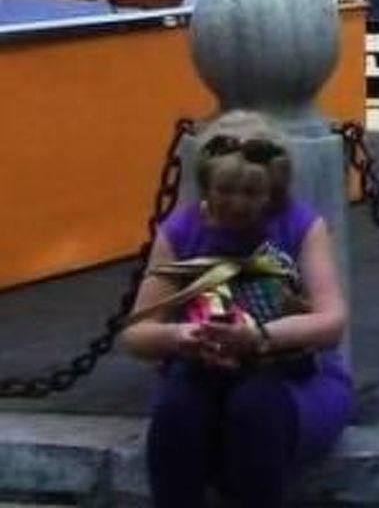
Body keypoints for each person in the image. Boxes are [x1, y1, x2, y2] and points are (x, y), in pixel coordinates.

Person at [121, 111, 352, 508]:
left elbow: (330, 322)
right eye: (225, 191)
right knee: (176, 413)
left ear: (272, 191)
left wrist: (258, 338)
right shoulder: (181, 230)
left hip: (290, 371)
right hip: (204, 366)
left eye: (250, 193)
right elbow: (136, 334)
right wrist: (182, 337)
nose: (236, 204)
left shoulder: (300, 225)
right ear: (207, 184)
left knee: (254, 409)